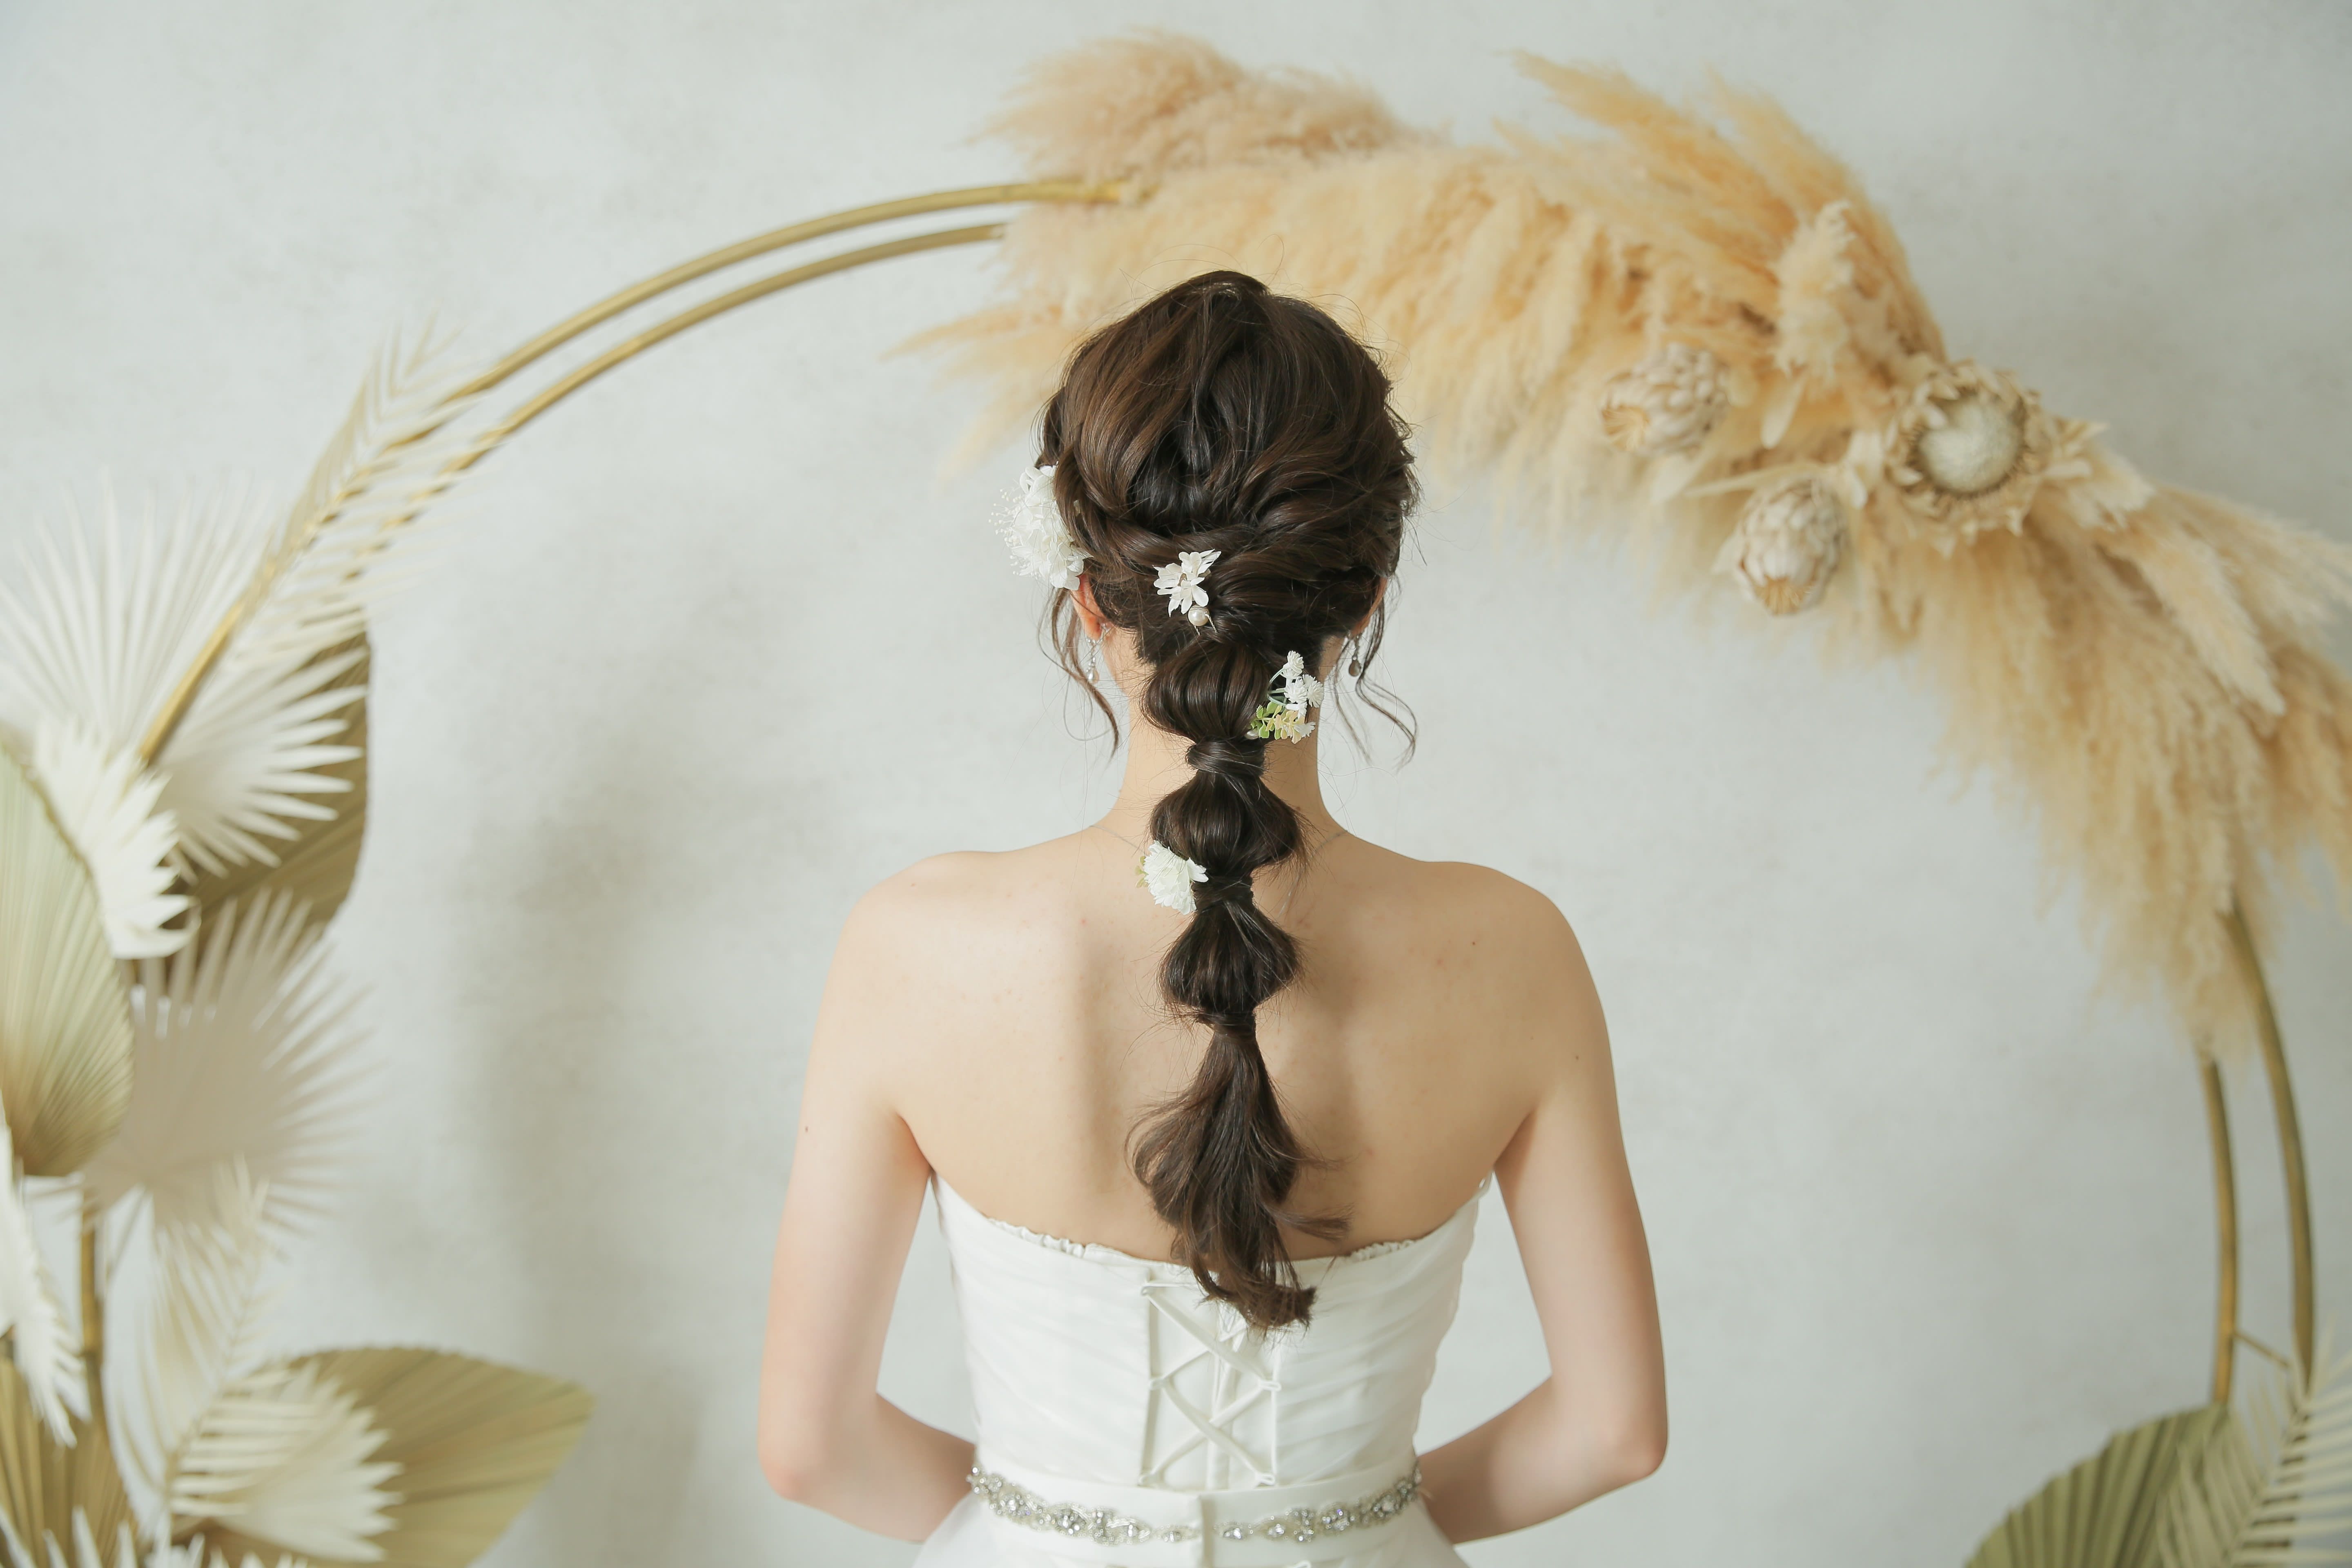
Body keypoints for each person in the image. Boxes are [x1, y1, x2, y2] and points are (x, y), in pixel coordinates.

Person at [758, 271, 1666, 1566]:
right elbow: (1614, 1434)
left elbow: (812, 1448)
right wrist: (1352, 1524)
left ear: (1087, 599)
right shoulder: (1512, 951)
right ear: (1365, 598)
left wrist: (1049, 1525)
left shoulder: (918, 945)